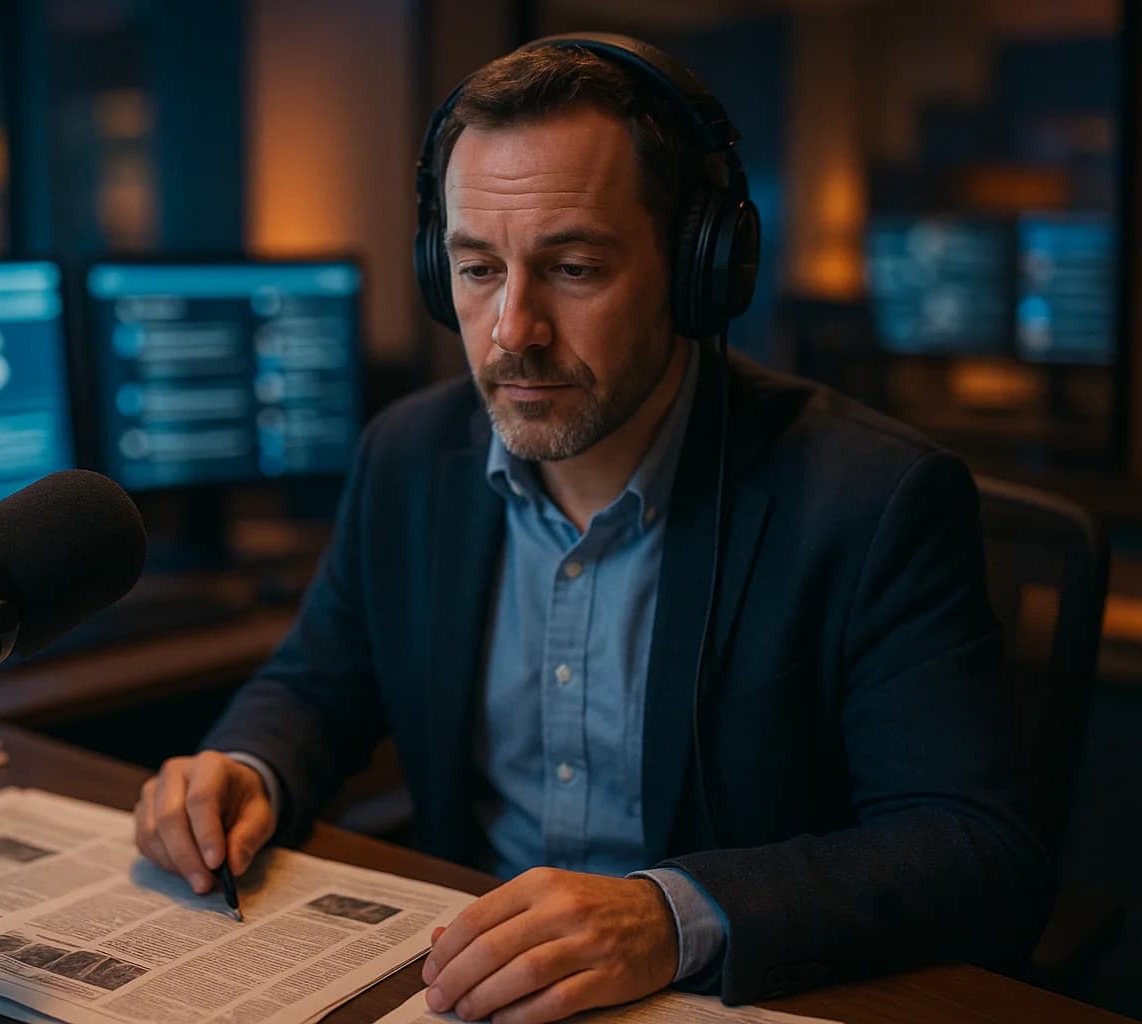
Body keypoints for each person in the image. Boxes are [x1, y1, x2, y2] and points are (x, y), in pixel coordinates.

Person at [132, 33, 1049, 1023]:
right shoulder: (408, 455)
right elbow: (318, 681)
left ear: (698, 270)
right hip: (460, 985)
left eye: (572, 267)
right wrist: (247, 766)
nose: (512, 328)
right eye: (477, 269)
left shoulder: (870, 499)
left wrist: (671, 914)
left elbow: (973, 849)